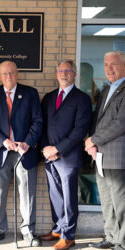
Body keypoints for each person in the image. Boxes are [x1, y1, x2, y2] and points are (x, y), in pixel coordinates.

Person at [0, 60, 43, 246]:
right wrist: (3, 141)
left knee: (27, 194)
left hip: (24, 153)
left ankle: (28, 231)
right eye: (4, 74)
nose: (8, 77)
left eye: (11, 73)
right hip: (1, 152)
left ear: (17, 74)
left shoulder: (30, 93)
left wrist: (27, 143)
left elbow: (38, 121)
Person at [40, 60, 92, 250]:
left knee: (69, 198)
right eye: (60, 71)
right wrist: (46, 148)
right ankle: (58, 228)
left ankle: (69, 235)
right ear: (56, 74)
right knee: (55, 196)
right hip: (49, 156)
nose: (64, 74)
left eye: (67, 71)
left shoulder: (82, 99)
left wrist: (57, 149)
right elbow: (43, 125)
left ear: (74, 74)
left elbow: (80, 131)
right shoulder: (49, 97)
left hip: (68, 157)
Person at [85, 51, 125, 250]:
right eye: (106, 64)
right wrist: (91, 143)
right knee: (107, 201)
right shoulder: (106, 90)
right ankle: (110, 237)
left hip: (117, 157)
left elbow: (120, 123)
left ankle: (122, 242)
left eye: (114, 64)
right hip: (99, 155)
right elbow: (97, 121)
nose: (109, 68)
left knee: (121, 202)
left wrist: (94, 140)